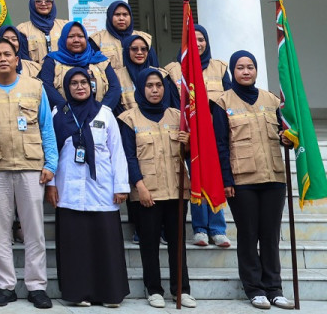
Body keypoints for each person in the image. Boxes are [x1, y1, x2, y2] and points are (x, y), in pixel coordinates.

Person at [0, 36, 56, 309]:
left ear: (17, 58)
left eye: (7, 54)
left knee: (34, 231)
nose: (3, 59)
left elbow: (46, 128)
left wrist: (51, 164)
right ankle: (5, 285)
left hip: (31, 167)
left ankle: (36, 286)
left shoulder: (35, 87)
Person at [211, 50, 296, 310]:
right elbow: (221, 145)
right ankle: (254, 288)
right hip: (241, 180)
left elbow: (288, 133)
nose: (246, 71)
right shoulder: (222, 102)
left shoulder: (272, 100)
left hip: (273, 178)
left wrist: (287, 139)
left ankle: (274, 288)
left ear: (256, 70)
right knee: (248, 235)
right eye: (240, 67)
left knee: (270, 236)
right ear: (233, 72)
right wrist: (226, 180)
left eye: (250, 67)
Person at [46, 68, 130, 307]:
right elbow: (51, 151)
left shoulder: (105, 113)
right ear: (66, 87)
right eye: (73, 83)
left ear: (92, 86)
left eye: (84, 82)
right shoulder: (59, 114)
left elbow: (117, 152)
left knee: (105, 244)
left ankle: (109, 294)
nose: (80, 87)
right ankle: (77, 293)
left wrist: (121, 185)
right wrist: (50, 184)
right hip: (68, 189)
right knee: (76, 246)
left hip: (101, 188)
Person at [119, 67, 195, 309]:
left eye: (159, 85)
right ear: (141, 89)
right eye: (150, 86)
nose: (154, 90)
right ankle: (153, 289)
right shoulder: (129, 119)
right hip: (147, 191)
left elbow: (190, 156)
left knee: (178, 242)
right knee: (149, 243)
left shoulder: (177, 116)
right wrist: (139, 186)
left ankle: (181, 289)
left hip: (176, 189)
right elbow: (128, 157)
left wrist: (189, 144)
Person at [164, 24, 229, 247]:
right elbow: (172, 103)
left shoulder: (219, 68)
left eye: (201, 39)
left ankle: (218, 228)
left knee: (214, 177)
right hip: (189, 135)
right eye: (194, 39)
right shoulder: (173, 70)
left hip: (214, 134)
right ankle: (200, 228)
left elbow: (227, 100)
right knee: (195, 179)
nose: (198, 44)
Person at [39, 21, 122, 112]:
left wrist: (101, 112)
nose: (76, 40)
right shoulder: (52, 61)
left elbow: (115, 88)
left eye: (80, 36)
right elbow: (47, 87)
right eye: (71, 36)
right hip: (65, 118)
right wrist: (67, 111)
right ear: (63, 39)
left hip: (99, 118)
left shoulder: (100, 60)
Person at [88, 1, 152, 70]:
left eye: (125, 14)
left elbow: (154, 68)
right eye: (117, 14)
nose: (121, 18)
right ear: (110, 16)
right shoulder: (97, 39)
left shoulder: (143, 39)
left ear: (130, 17)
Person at [15, 0, 65, 64]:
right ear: (32, 4)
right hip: (34, 74)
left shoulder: (64, 26)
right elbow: (23, 58)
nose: (43, 4)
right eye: (38, 1)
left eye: (47, 1)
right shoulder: (23, 30)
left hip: (62, 73)